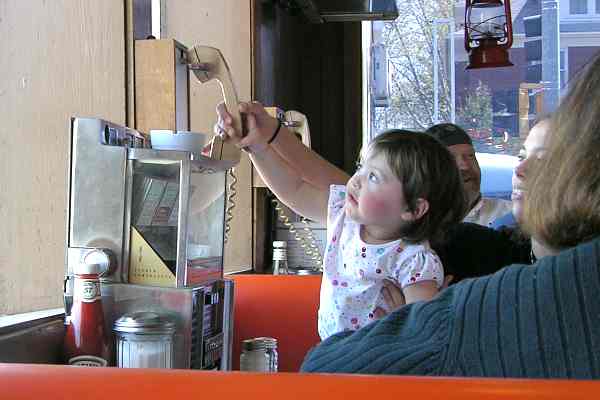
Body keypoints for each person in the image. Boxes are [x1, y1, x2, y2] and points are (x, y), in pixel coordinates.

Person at [300, 54, 600, 378]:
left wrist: (407, 332)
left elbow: (322, 365)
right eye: (522, 156)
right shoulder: (474, 242)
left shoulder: (491, 301)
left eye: (549, 160)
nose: (522, 170)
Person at [215, 104, 466, 340]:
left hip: (375, 364)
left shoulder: (415, 261)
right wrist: (257, 148)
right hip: (332, 349)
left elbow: (426, 335)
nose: (356, 180)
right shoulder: (346, 218)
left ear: (413, 208)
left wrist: (399, 330)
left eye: (374, 177)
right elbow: (294, 189)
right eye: (361, 168)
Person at [425, 123, 512, 227]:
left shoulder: (514, 217)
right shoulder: (415, 225)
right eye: (450, 158)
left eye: (470, 156)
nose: (465, 166)